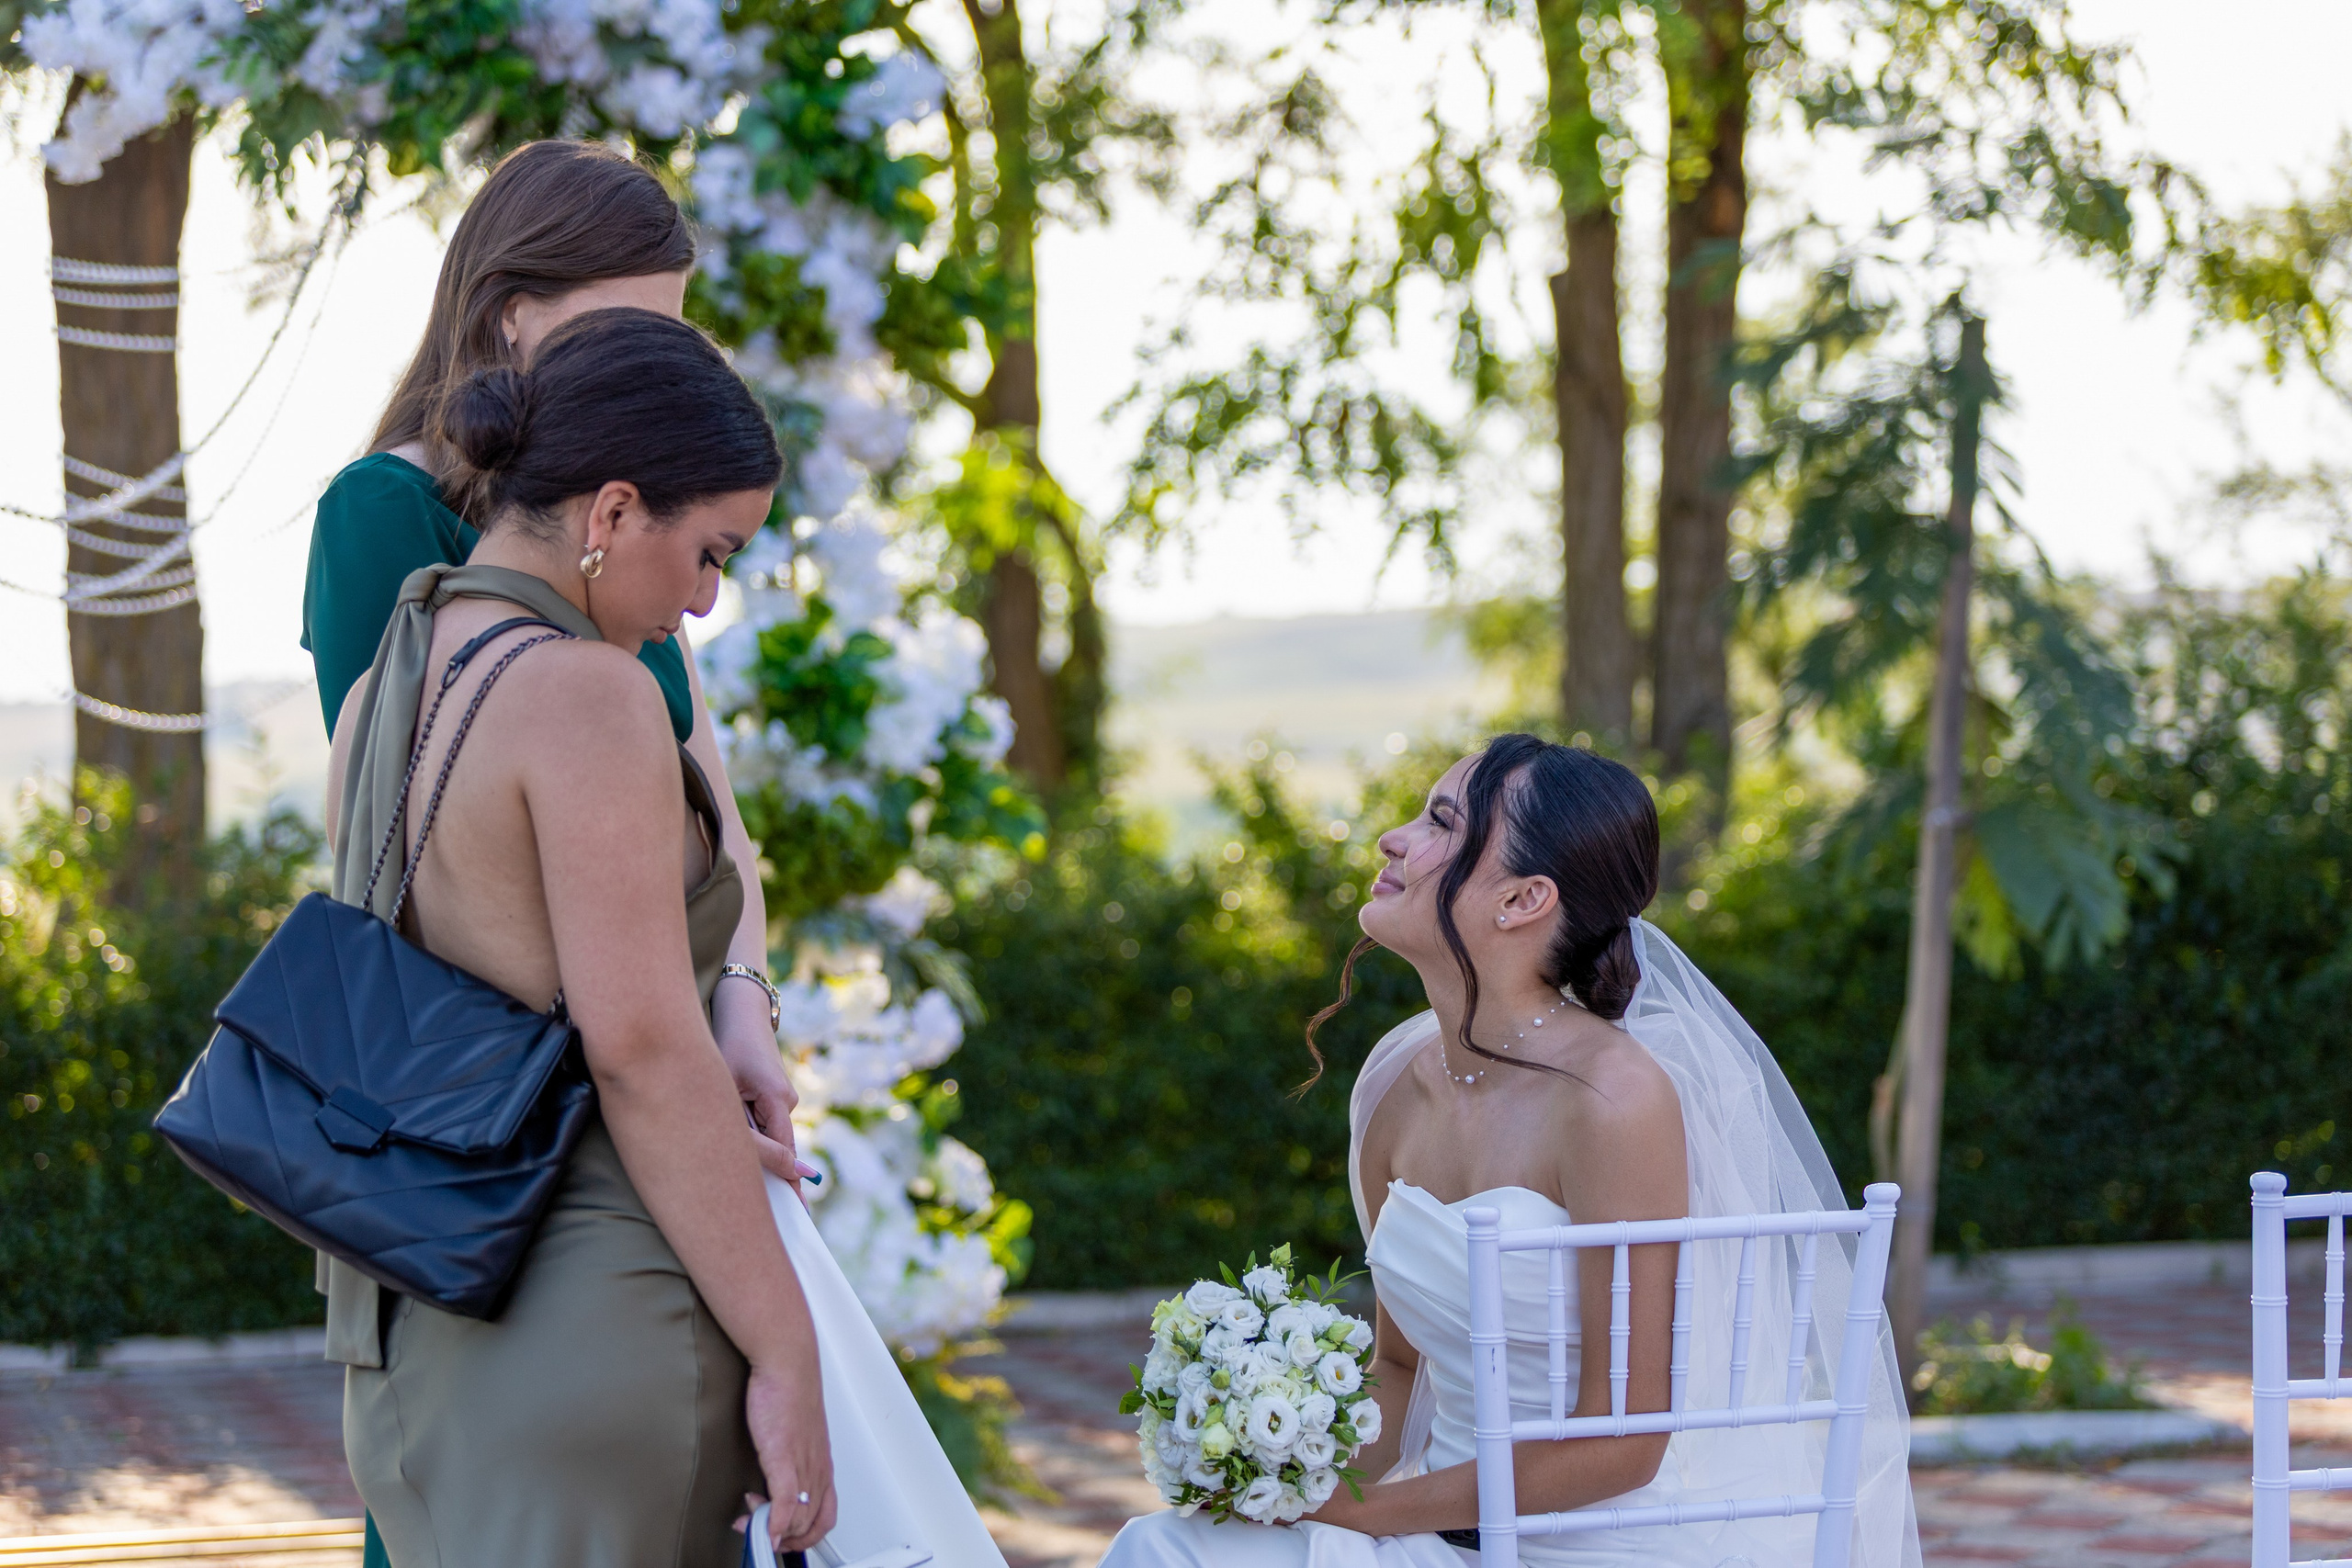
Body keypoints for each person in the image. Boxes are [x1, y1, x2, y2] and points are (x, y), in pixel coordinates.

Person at [1101, 735, 1918, 1568]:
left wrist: (1372, 1514)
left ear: (1523, 899)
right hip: (1444, 1531)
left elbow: (1627, 1442)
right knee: (1172, 1544)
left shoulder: (1613, 1100)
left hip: (1600, 1542)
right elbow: (1397, 1362)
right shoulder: (1393, 1081)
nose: (1395, 838)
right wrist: (1280, 1470)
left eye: (1440, 823)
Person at [322, 306, 828, 1564]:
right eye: (709, 551)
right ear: (609, 515)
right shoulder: (588, 696)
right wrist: (786, 1344)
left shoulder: (392, 672)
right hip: (594, 1310)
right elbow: (645, 1053)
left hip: (421, 1332)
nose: (704, 602)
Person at [300, 139, 805, 1196]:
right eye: (617, 326)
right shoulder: (387, 512)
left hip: (676, 1042)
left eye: (664, 336)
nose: (645, 362)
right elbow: (396, 831)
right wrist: (641, 1073)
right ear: (506, 315)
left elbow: (714, 798)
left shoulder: (625, 523)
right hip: (534, 1093)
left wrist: (745, 1001)